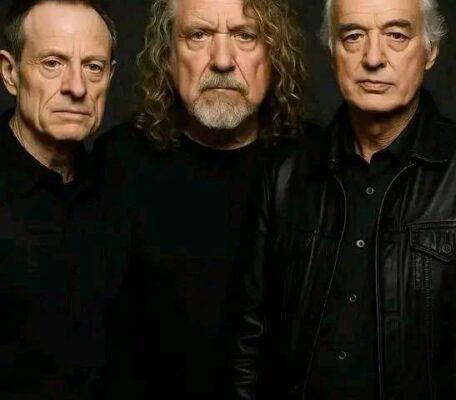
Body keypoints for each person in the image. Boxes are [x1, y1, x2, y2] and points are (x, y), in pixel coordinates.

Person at [231, 0, 456, 398]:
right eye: (353, 36)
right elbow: (249, 341)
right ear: (332, 52)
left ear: (430, 51)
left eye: (396, 35)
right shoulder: (286, 174)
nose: (373, 58)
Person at [99, 0, 307, 398]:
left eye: (246, 36)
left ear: (274, 55)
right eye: (198, 35)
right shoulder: (117, 161)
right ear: (167, 56)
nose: (223, 61)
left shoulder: (316, 164)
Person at [0, 0, 125, 398]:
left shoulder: (120, 188)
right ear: (10, 73)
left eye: (93, 67)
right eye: (52, 63)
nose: (77, 87)